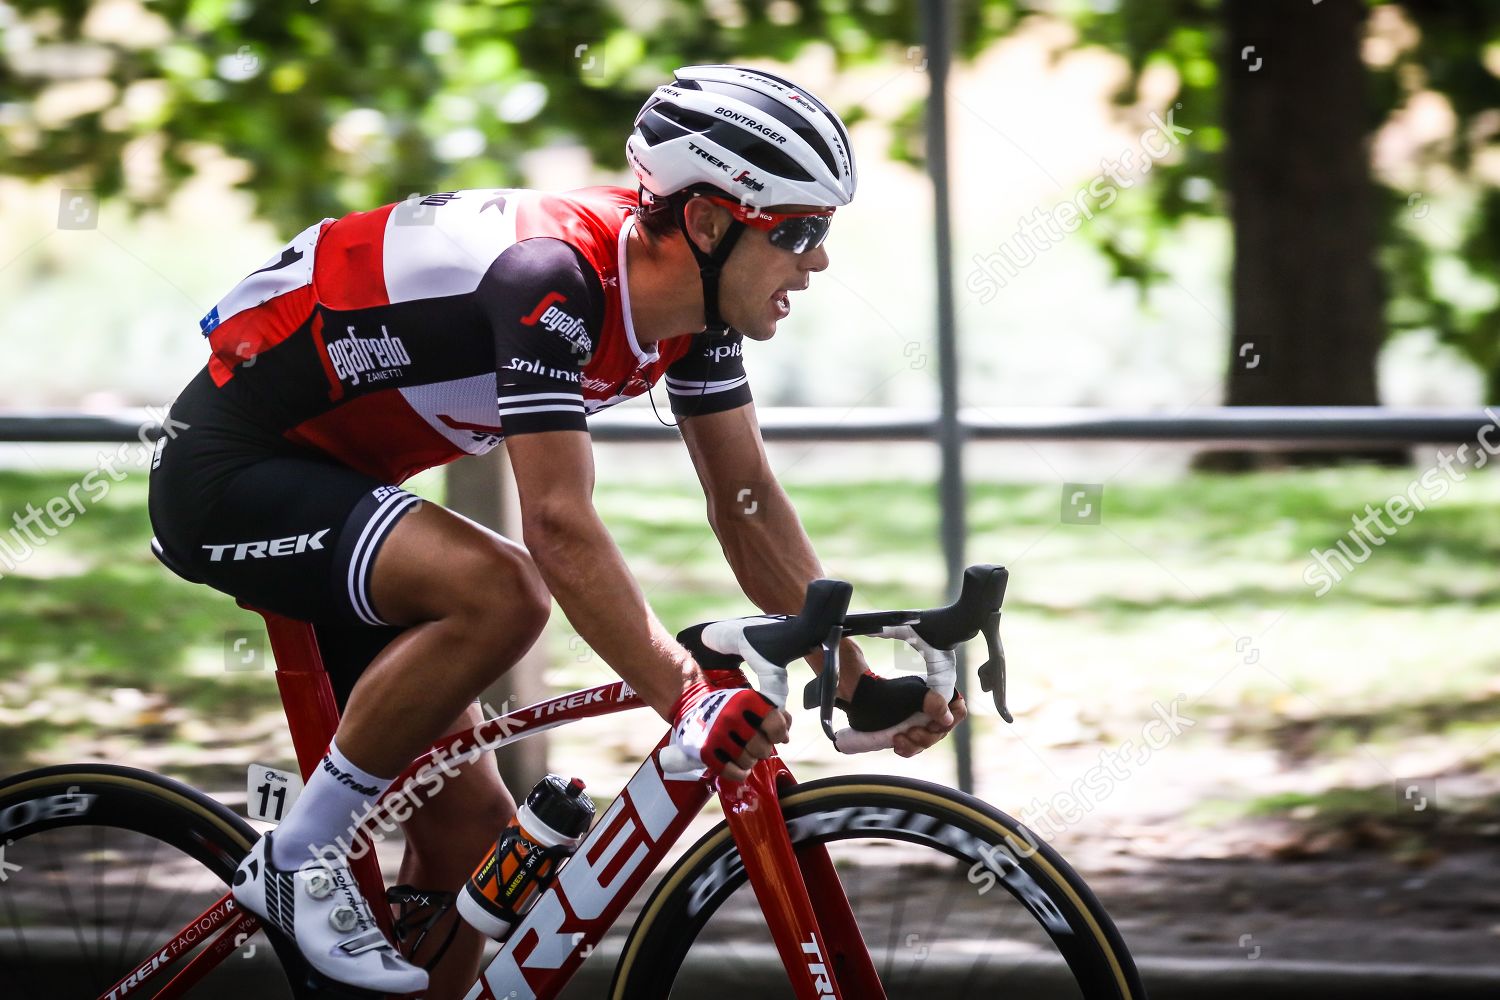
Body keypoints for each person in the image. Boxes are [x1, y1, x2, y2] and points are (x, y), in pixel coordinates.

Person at [147, 63, 966, 997]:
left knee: (464, 839)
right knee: (501, 591)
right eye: (799, 232)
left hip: (342, 492)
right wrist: (686, 697)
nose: (818, 262)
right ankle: (299, 859)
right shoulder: (553, 281)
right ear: (705, 222)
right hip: (228, 474)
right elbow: (558, 525)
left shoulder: (693, 311)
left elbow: (745, 504)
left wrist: (850, 680)